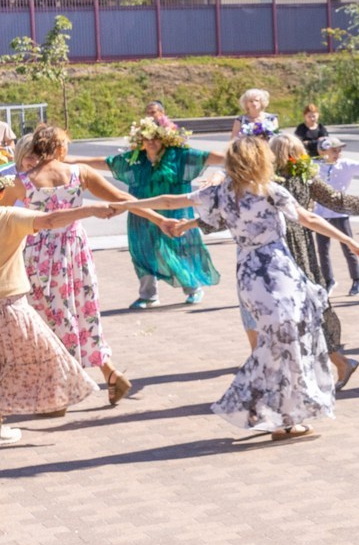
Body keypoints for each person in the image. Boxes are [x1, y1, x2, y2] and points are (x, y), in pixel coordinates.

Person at [143, 138, 359, 440]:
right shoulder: (269, 190)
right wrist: (349, 241)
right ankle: (268, 412)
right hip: (275, 272)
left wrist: (127, 205)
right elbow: (309, 218)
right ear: (261, 159)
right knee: (284, 341)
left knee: (280, 341)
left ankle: (280, 416)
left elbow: (170, 201)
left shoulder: (220, 192)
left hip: (249, 274)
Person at [6, 126, 140, 405]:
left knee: (50, 317)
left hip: (40, 254)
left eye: (33, 155)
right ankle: (109, 373)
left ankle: (61, 391)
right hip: (74, 251)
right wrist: (160, 215)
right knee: (81, 312)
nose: (30, 161)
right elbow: (123, 199)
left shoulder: (21, 181)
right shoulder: (77, 174)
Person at [2, 193, 152, 441]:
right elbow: (51, 220)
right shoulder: (8, 216)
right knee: (40, 357)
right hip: (10, 305)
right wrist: (90, 210)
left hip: (15, 299)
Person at [270, 136, 359, 389]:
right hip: (293, 247)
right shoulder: (291, 178)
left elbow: (336, 200)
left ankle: (322, 367)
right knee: (300, 308)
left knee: (295, 309)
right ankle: (329, 364)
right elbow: (336, 199)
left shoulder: (282, 179)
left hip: (286, 249)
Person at [106, 116, 220, 307]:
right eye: (147, 138)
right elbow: (102, 162)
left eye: (156, 138)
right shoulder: (135, 159)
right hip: (142, 214)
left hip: (174, 212)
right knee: (142, 250)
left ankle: (193, 287)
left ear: (165, 139)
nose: (151, 142)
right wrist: (64, 160)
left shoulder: (179, 156)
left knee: (178, 249)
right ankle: (148, 295)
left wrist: (233, 163)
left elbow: (211, 157)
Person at [311, 136, 359, 294]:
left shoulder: (344, 165)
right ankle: (329, 280)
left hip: (340, 214)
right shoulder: (313, 165)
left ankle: (356, 280)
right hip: (321, 214)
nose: (338, 153)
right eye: (334, 150)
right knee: (322, 249)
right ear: (322, 152)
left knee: (348, 247)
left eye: (339, 150)